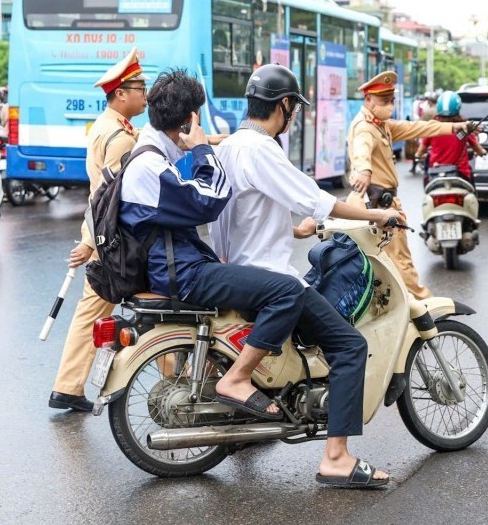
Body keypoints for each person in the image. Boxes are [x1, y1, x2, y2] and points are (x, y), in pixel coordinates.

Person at [209, 63, 405, 487]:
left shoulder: (231, 145)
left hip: (238, 268)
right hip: (267, 277)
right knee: (350, 346)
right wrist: (377, 213)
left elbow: (253, 210)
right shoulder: (262, 149)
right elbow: (319, 200)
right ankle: (336, 458)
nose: (292, 116)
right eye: (293, 108)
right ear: (283, 106)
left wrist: (297, 228)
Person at [118, 68, 315, 423]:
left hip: (173, 267)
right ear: (192, 118)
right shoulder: (150, 164)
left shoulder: (150, 153)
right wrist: (204, 149)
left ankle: (235, 396)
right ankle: (237, 380)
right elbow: (212, 198)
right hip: (182, 273)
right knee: (287, 291)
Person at [49, 47, 147, 412]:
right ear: (120, 93)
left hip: (106, 238)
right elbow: (110, 196)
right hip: (116, 240)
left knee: (93, 311)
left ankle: (68, 386)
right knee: (161, 306)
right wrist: (91, 242)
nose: (145, 94)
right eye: (139, 87)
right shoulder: (117, 136)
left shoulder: (110, 127)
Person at [347, 71, 469, 299]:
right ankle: (429, 310)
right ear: (368, 100)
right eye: (384, 101)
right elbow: (361, 149)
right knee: (401, 261)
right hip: (379, 206)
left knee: (380, 264)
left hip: (379, 203)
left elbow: (419, 128)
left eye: (391, 101)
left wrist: (456, 127)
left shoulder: (381, 124)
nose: (389, 106)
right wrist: (363, 169)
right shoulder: (365, 127)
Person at [415, 90, 486, 183]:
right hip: (460, 174)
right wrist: (482, 152)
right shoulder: (464, 127)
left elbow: (421, 150)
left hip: (436, 174)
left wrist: (418, 155)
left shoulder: (433, 126)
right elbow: (476, 147)